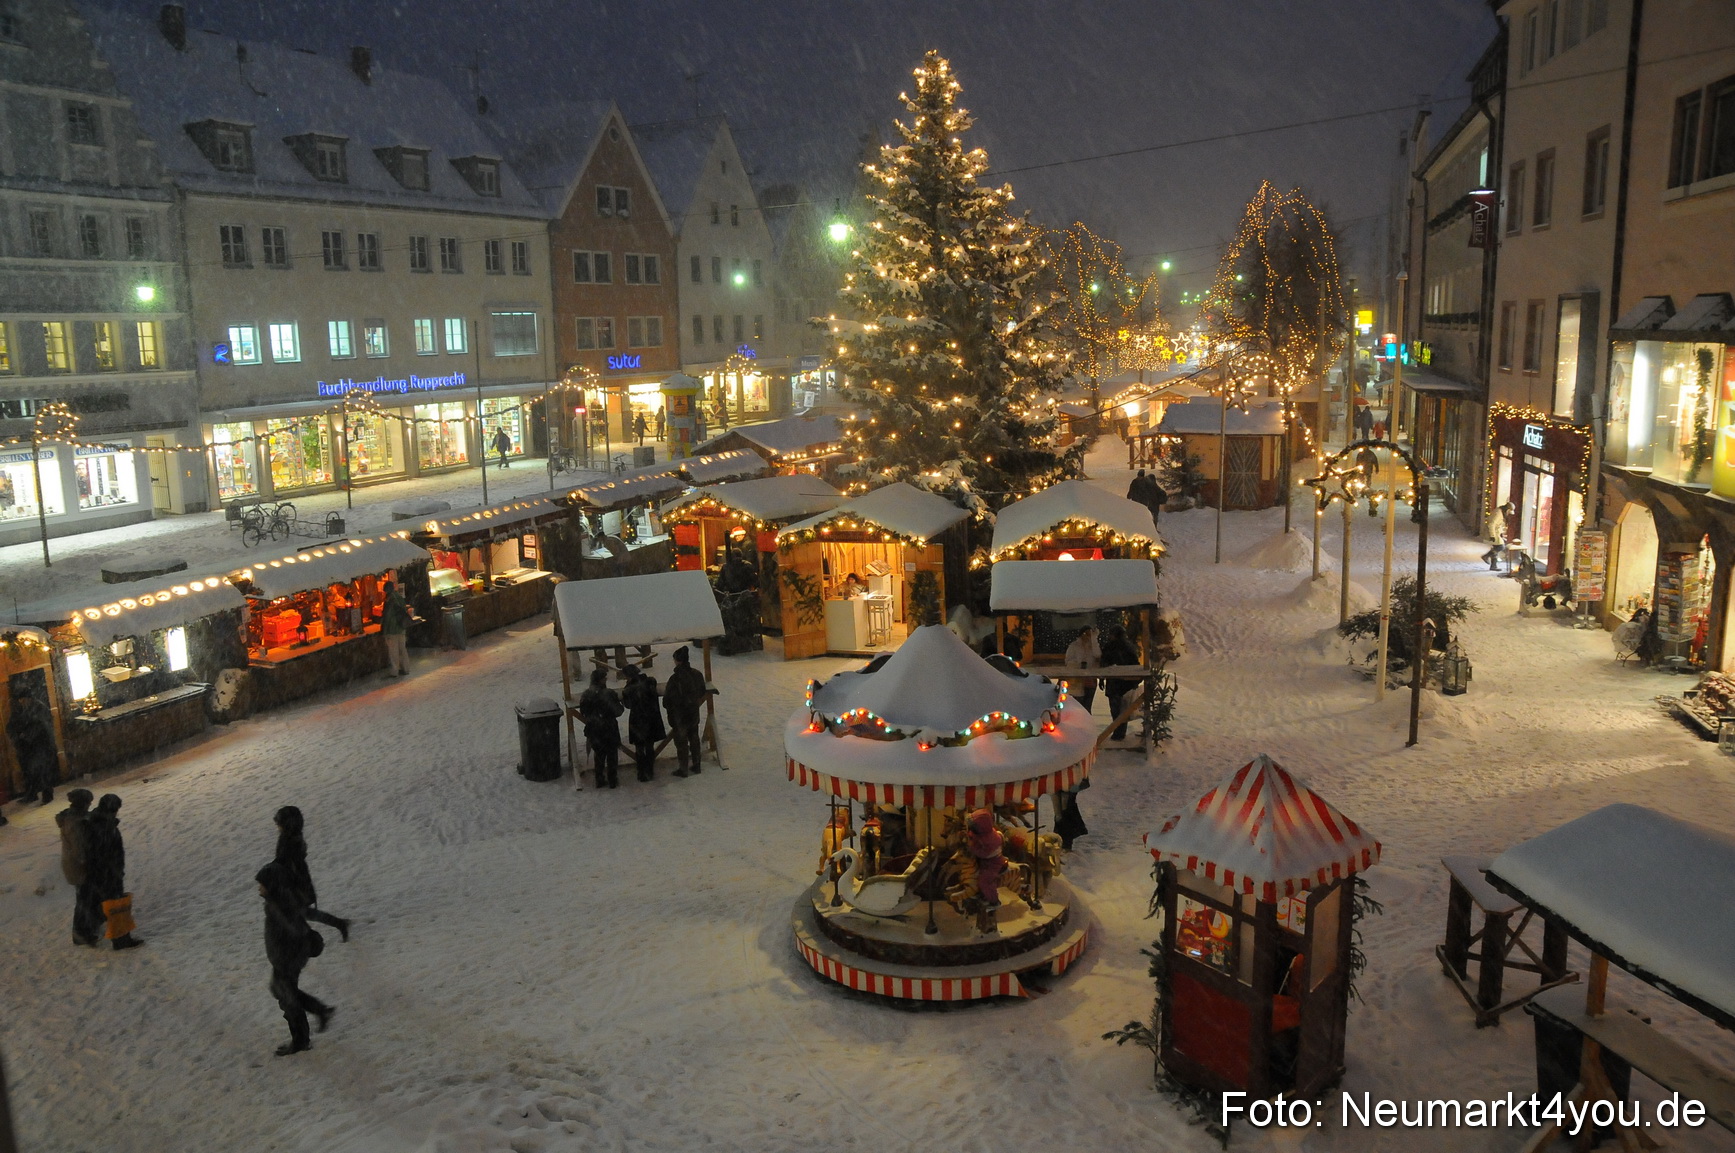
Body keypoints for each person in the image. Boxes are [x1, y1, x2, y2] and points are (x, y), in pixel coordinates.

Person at [256, 859, 333, 1057]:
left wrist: (293, 950)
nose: (259, 888)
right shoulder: (278, 901)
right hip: (285, 958)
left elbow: (296, 928)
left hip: (287, 959)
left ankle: (300, 1041)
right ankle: (320, 1011)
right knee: (281, 991)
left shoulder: (278, 905)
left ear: (271, 885)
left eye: (262, 885)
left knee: (287, 998)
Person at [274, 806, 351, 942]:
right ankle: (339, 923)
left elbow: (286, 863)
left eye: (279, 824)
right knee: (302, 912)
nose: (277, 827)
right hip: (295, 882)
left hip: (295, 883)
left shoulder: (288, 841)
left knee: (298, 912)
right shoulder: (291, 837)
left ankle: (336, 925)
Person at [84, 794, 142, 950]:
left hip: (102, 873)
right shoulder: (103, 827)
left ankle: (91, 933)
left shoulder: (98, 821)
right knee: (116, 906)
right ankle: (121, 940)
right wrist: (115, 872)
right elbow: (105, 854)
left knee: (106, 904)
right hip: (107, 874)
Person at [56, 789, 100, 946]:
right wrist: (88, 863)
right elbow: (79, 848)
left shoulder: (75, 816)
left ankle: (90, 925)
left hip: (76, 865)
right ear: (82, 803)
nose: (89, 805)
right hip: (78, 867)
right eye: (88, 802)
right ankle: (80, 933)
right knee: (84, 900)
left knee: (87, 897)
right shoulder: (74, 822)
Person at [8, 682, 59, 805]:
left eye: (23, 699)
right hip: (26, 747)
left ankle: (47, 794)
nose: (21, 702)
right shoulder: (19, 710)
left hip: (42, 745)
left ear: (28, 698)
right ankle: (32, 794)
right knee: (28, 771)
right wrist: (17, 736)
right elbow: (11, 725)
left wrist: (26, 735)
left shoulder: (39, 707)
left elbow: (42, 726)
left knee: (43, 770)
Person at [663, 646, 708, 778]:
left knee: (681, 742)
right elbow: (702, 691)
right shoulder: (697, 674)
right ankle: (697, 764)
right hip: (693, 712)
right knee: (694, 738)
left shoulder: (675, 679)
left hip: (679, 715)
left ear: (677, 660)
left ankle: (683, 769)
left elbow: (667, 700)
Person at [577, 667, 624, 788]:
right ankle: (612, 779)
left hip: (594, 728)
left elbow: (583, 712)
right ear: (601, 680)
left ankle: (599, 778)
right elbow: (618, 711)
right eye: (604, 678)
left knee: (599, 754)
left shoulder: (586, 694)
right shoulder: (609, 694)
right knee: (612, 754)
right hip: (609, 727)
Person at [620, 666, 666, 782]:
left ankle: (641, 772)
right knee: (649, 746)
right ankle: (650, 770)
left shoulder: (629, 689)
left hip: (638, 720)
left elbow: (628, 705)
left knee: (639, 747)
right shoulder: (650, 682)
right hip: (652, 718)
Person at [1099, 625, 1142, 743]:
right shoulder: (1129, 646)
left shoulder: (1110, 646)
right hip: (1125, 684)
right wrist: (1134, 681)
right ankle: (1119, 732)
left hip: (1114, 684)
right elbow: (1135, 664)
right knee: (1124, 710)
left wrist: (1102, 678)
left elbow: (1104, 664)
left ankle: (1118, 733)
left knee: (1116, 710)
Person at [1063, 626, 1100, 715]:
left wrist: (1094, 640)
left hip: (1090, 679)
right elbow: (1068, 661)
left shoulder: (1093, 646)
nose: (1086, 636)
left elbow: (1097, 655)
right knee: (1077, 706)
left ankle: (1086, 721)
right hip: (1077, 680)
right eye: (1085, 633)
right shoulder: (1074, 646)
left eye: (1089, 634)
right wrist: (1078, 666)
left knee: (1087, 706)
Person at [381, 580, 411, 676]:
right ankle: (405, 668)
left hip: (392, 629)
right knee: (402, 649)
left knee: (393, 651)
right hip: (401, 627)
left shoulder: (389, 600)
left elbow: (387, 616)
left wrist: (384, 629)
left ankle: (395, 671)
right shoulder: (399, 597)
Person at [1482, 502, 1516, 570]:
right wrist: (1492, 535)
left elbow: (1498, 525)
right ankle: (1486, 556)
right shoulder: (1498, 513)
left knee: (1496, 548)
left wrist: (1501, 533)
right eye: (1509, 512)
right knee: (1501, 546)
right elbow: (1491, 524)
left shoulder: (1501, 512)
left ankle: (1493, 566)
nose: (1509, 514)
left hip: (1496, 532)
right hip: (1493, 533)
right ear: (1507, 510)